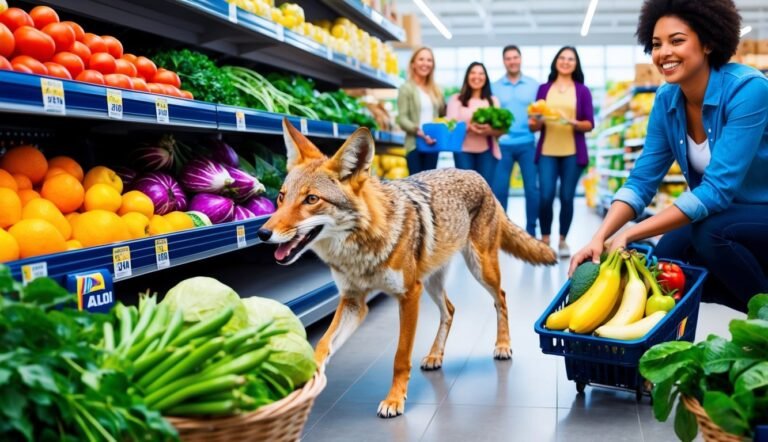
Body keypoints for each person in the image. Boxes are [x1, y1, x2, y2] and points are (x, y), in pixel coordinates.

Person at [570, 0, 768, 313]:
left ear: (707, 42)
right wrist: (601, 236)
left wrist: (631, 233)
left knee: (710, 233)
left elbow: (716, 191)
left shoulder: (748, 89)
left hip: (756, 211)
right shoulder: (666, 99)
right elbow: (642, 180)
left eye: (677, 40)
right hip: (725, 212)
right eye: (656, 44)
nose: (664, 53)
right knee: (666, 266)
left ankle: (763, 316)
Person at [529, 47, 594, 258]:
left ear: (576, 64)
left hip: (573, 153)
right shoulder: (543, 89)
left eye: (571, 59)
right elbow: (534, 126)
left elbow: (589, 124)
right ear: (556, 62)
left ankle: (563, 240)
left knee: (567, 197)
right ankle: (545, 239)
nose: (566, 62)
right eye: (562, 58)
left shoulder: (582, 91)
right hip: (547, 150)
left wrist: (572, 122)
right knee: (546, 196)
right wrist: (536, 120)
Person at [492, 45, 541, 236]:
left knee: (532, 189)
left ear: (520, 59)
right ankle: (502, 232)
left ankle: (531, 232)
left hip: (528, 143)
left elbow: (540, 113)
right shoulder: (495, 87)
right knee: (500, 190)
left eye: (515, 57)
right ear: (504, 62)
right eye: (508, 58)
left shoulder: (533, 85)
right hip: (503, 144)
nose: (512, 61)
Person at [446, 62, 505, 184]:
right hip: (462, 151)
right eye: (473, 73)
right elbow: (450, 127)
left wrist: (488, 130)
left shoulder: (493, 101)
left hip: (487, 152)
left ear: (486, 77)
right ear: (467, 76)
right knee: (466, 191)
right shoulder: (456, 99)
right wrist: (468, 128)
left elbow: (500, 131)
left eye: (481, 73)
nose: (476, 76)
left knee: (485, 191)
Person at [396, 47, 446, 175]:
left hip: (433, 144)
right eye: (421, 59)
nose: (425, 63)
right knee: (417, 186)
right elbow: (402, 119)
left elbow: (441, 116)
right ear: (413, 64)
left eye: (429, 60)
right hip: (415, 144)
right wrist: (420, 132)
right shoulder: (406, 88)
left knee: (430, 186)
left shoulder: (436, 90)